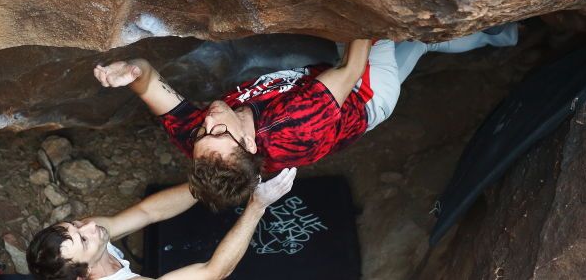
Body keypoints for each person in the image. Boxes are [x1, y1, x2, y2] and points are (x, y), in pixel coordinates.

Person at [94, 24, 518, 211]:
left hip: (328, 89)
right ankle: (496, 32)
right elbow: (350, 71)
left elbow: (147, 80)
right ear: (251, 145)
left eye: (205, 131)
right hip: (365, 95)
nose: (212, 118)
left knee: (421, 44)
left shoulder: (202, 140)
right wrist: (367, 15)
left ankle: (502, 34)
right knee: (388, 29)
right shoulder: (295, 125)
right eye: (220, 131)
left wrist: (128, 71)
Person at [26, 167, 296, 280]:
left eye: (74, 224)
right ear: (85, 275)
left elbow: (147, 212)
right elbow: (213, 272)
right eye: (83, 239)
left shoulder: (91, 235)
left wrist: (207, 182)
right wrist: (257, 206)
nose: (88, 227)